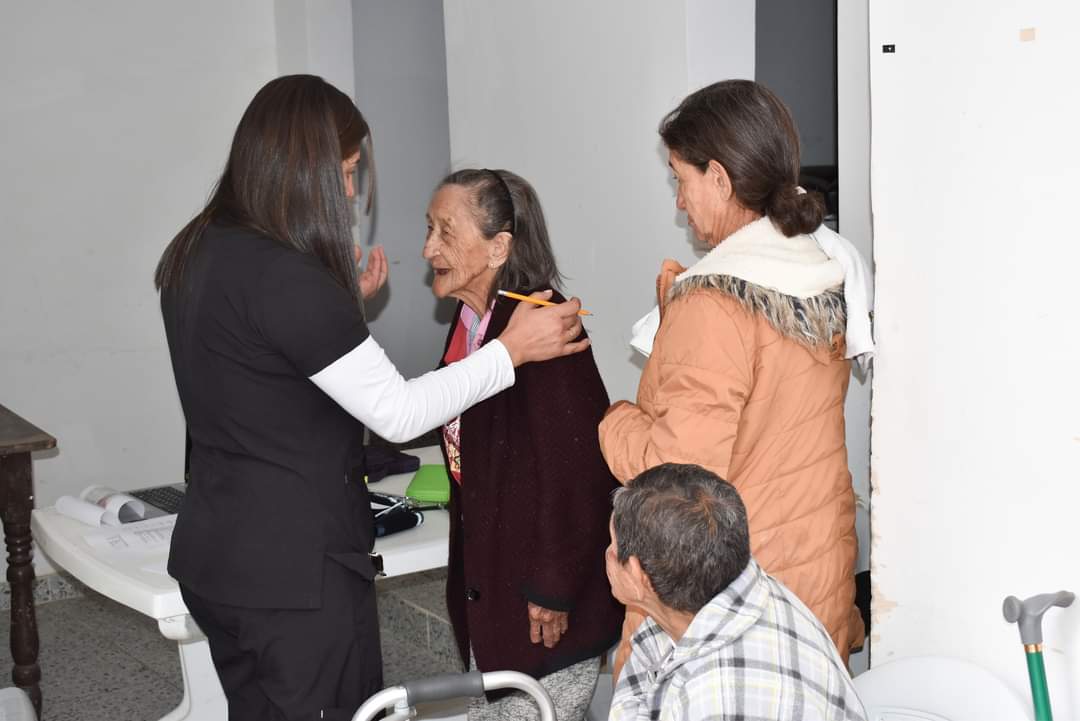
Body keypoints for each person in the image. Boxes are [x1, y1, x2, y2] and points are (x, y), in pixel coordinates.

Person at [154, 75, 589, 721]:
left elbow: (262, 367)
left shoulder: (198, 248)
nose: (352, 192)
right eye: (348, 171)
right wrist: (511, 350)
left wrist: (337, 312)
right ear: (307, 169)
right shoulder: (290, 278)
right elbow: (399, 413)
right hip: (292, 576)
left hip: (220, 555)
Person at [599, 79, 871, 674]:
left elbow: (678, 475)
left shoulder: (715, 301)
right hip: (815, 575)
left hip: (735, 601)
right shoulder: (822, 267)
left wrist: (615, 421)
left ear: (720, 179)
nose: (679, 201)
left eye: (680, 179)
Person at [423, 169, 623, 721]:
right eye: (428, 229)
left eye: (445, 231)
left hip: (543, 602)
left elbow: (579, 471)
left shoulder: (545, 325)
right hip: (493, 588)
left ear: (499, 247)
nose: (428, 249)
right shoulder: (470, 321)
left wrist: (553, 589)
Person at [605, 463, 868, 721]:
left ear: (638, 575)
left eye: (613, 546)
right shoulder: (731, 589)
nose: (607, 554)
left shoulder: (720, 704)